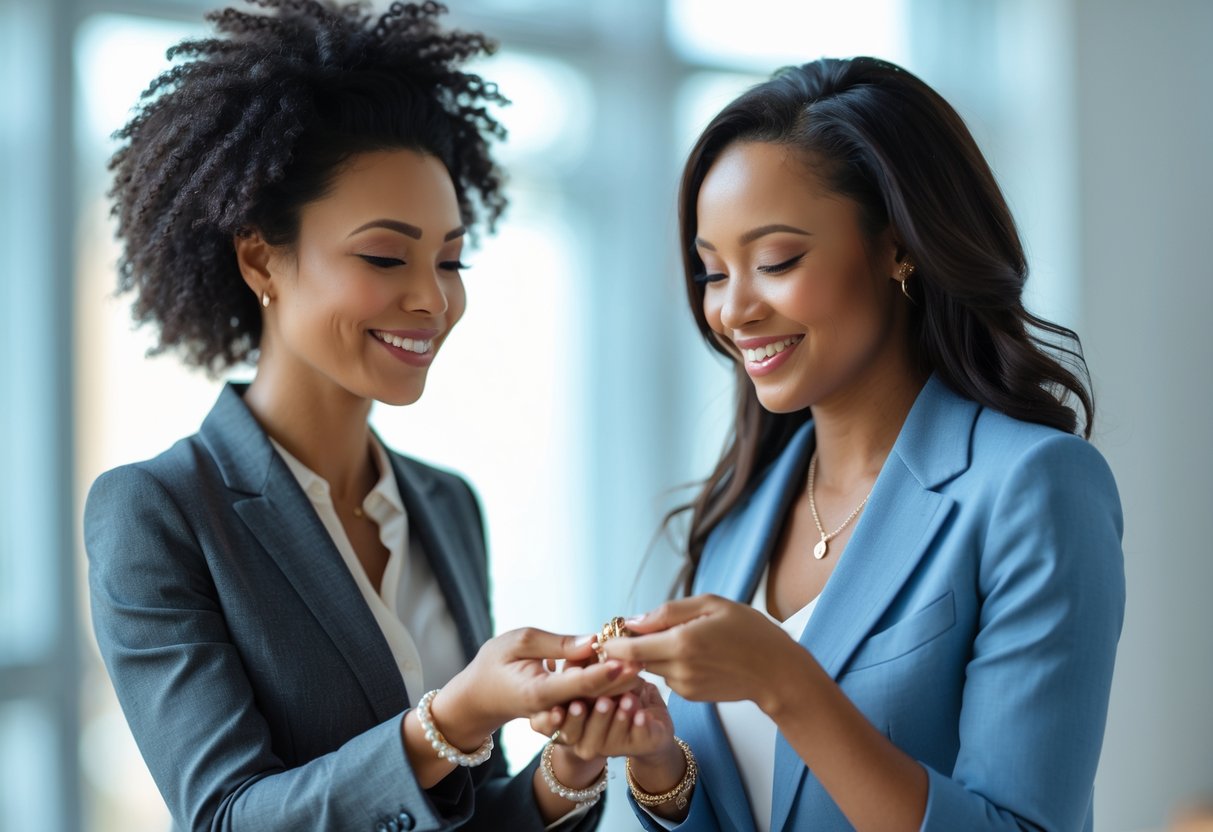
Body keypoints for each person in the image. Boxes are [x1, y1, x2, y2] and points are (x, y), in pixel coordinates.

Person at [83, 2, 641, 830]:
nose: (432, 299)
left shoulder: (445, 504)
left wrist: (569, 767)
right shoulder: (159, 512)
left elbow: (461, 817)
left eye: (450, 259)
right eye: (384, 256)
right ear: (259, 258)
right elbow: (227, 817)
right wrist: (450, 720)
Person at [581, 57, 1125, 831]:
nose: (732, 310)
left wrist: (786, 684)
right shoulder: (739, 513)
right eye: (710, 272)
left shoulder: (1033, 487)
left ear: (898, 247)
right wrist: (656, 765)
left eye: (775, 261)